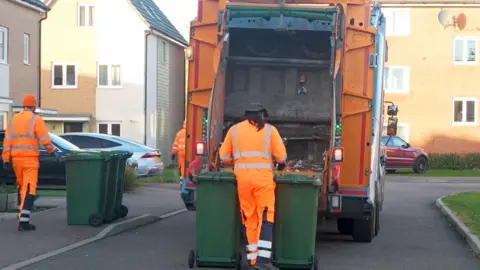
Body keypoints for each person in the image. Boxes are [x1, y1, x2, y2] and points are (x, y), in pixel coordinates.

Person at [219, 103, 287, 270]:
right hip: (262, 182)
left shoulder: (234, 130)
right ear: (263, 115)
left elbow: (224, 157)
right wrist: (277, 163)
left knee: (249, 218)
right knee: (265, 218)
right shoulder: (270, 131)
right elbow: (282, 157)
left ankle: (253, 260)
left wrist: (238, 160)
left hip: (243, 181)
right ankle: (263, 262)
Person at [2, 94, 59, 231]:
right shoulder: (36, 119)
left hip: (16, 160)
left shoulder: (14, 120)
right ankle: (23, 222)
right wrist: (52, 151)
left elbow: (7, 141)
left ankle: (22, 217)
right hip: (30, 160)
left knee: (22, 188)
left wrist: (5, 158)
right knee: (29, 189)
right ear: (33, 106)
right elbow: (45, 139)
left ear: (23, 106)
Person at [171, 120, 186, 186]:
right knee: (189, 167)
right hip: (189, 153)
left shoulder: (179, 133)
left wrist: (173, 153)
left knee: (181, 167)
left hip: (181, 153)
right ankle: (188, 180)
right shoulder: (192, 132)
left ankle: (182, 182)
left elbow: (175, 145)